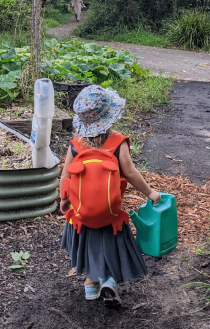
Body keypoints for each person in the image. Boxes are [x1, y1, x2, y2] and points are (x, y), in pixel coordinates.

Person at [60, 85, 161, 308]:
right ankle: (109, 282)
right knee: (111, 245)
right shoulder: (117, 142)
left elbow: (66, 174)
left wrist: (64, 199)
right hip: (111, 211)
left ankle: (90, 285)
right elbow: (131, 173)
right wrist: (151, 193)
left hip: (82, 212)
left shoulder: (76, 145)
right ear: (110, 117)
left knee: (88, 245)